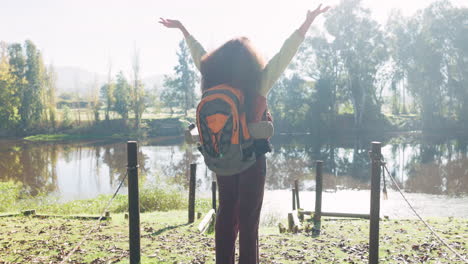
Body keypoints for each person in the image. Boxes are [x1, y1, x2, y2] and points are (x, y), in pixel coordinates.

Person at [160, 4, 330, 263]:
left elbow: (199, 54)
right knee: (249, 219)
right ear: (250, 59)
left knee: (227, 212)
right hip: (251, 158)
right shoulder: (258, 81)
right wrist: (307, 23)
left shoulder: (213, 77)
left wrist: (183, 30)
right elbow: (286, 53)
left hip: (222, 156)